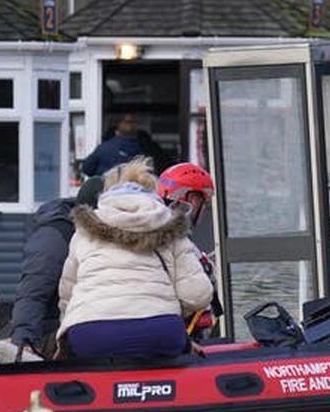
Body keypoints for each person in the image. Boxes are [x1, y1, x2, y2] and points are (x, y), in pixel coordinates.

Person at [57, 157, 214, 359]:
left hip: (90, 334)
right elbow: (197, 295)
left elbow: (66, 297)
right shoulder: (172, 227)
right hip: (161, 332)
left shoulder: (84, 232)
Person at [0, 176, 106, 362]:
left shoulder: (89, 234)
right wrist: (24, 340)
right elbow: (33, 290)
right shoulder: (55, 236)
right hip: (51, 330)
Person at [157, 162, 220, 335]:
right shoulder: (178, 240)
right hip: (176, 331)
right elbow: (196, 297)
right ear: (193, 199)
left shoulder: (148, 229)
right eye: (203, 202)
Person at [80, 113, 171, 177]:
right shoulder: (150, 149)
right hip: (140, 198)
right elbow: (165, 169)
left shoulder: (103, 149)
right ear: (138, 133)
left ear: (116, 131)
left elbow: (86, 169)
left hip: (109, 199)